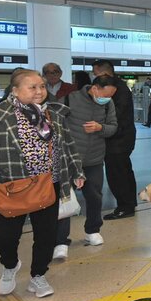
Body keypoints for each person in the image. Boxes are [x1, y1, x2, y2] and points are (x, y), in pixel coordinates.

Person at [0, 70, 84, 298]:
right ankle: (10, 265)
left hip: (48, 184)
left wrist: (76, 171)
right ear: (15, 90)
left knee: (46, 235)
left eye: (41, 86)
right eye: (32, 87)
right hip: (13, 186)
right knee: (5, 237)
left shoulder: (53, 114)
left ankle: (38, 276)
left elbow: (68, 145)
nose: (39, 91)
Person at [53, 74, 119, 261]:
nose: (108, 98)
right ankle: (60, 241)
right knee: (65, 200)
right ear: (95, 88)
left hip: (95, 159)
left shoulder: (107, 104)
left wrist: (100, 128)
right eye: (105, 94)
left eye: (111, 95)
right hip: (69, 160)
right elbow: (54, 125)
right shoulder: (69, 99)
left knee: (95, 196)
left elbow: (113, 127)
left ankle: (92, 230)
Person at [91, 59, 138, 220]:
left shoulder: (117, 89)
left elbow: (116, 115)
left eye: (96, 74)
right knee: (123, 171)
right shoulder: (118, 86)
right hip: (117, 138)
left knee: (118, 173)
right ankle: (129, 202)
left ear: (104, 73)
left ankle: (125, 206)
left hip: (119, 139)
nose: (95, 77)